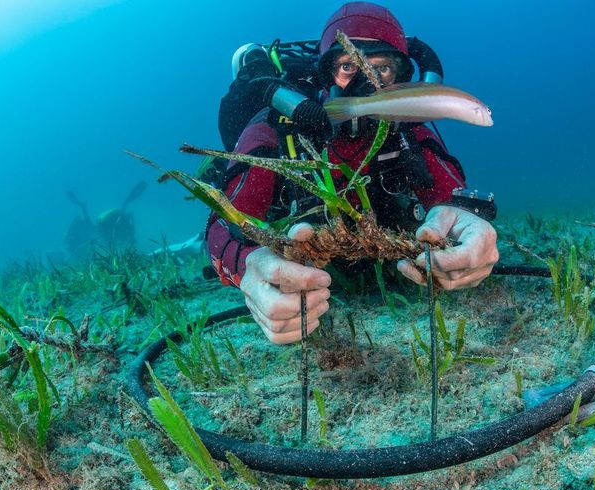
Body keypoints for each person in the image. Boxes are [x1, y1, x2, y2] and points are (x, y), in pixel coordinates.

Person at [207, 2, 498, 344]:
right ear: (324, 71)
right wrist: (249, 267)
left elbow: (453, 202)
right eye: (348, 65)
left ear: (403, 78)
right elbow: (223, 224)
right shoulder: (275, 128)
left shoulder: (407, 130)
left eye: (384, 68)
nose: (364, 81)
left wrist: (473, 232)